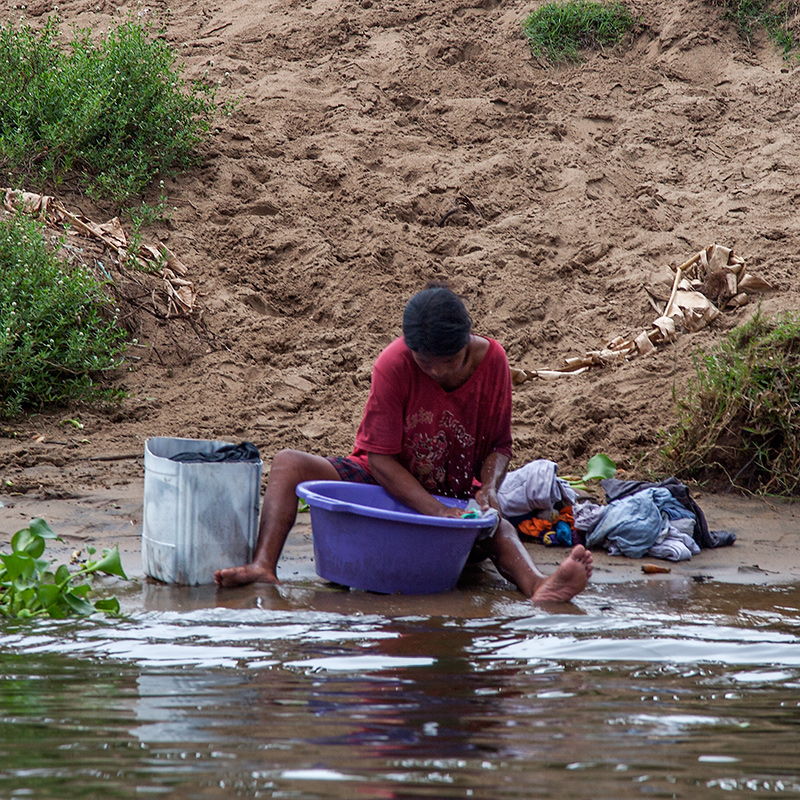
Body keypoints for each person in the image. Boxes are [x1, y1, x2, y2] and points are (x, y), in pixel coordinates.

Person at [215, 285, 593, 603]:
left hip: (452, 496)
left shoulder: (493, 361)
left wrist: (488, 489)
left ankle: (538, 585)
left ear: (468, 343)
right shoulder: (393, 364)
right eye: (426, 364)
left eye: (449, 362)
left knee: (500, 528)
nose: (438, 372)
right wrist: (431, 510)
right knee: (287, 462)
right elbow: (379, 459)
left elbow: (499, 445)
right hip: (383, 482)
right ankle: (264, 565)